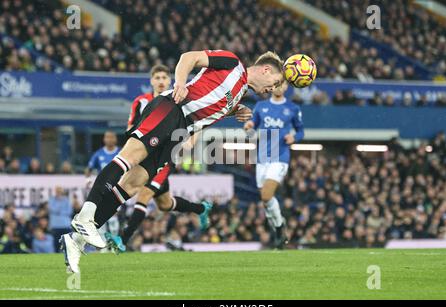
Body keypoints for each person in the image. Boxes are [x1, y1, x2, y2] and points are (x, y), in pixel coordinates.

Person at [62, 49, 283, 273]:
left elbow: (208, 104)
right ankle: (86, 216)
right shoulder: (233, 63)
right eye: (274, 83)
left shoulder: (239, 93)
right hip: (171, 109)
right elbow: (189, 57)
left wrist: (234, 111)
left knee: (133, 183)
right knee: (128, 158)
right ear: (266, 69)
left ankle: (76, 241)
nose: (272, 89)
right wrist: (180, 83)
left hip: (180, 132)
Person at [106, 65, 214, 252]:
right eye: (157, 77)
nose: (161, 81)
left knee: (144, 194)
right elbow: (130, 128)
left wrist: (191, 142)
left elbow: (198, 122)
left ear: (170, 80)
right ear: (151, 81)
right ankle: (200, 209)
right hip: (145, 155)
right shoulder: (141, 102)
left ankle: (123, 239)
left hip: (166, 156)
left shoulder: (178, 100)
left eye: (164, 77)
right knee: (165, 204)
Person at [244, 80, 304, 249]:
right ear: (271, 86)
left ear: (286, 87)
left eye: (282, 84)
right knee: (265, 201)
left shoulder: (293, 109)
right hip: (262, 157)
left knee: (266, 195)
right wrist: (248, 126)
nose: (279, 87)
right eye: (276, 84)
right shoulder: (260, 106)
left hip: (280, 156)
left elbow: (301, 131)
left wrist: (294, 138)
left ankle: (279, 227)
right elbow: (252, 127)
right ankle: (278, 228)